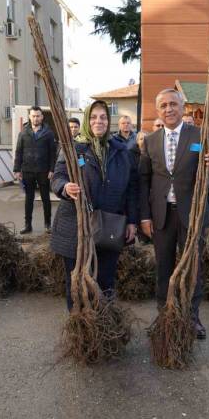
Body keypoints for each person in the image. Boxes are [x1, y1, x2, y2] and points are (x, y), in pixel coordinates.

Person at [139, 88, 209, 340]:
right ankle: (164, 315)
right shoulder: (150, 141)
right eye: (163, 106)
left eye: (173, 104)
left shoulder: (200, 135)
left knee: (192, 267)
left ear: (182, 107)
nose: (169, 109)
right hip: (162, 216)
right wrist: (144, 216)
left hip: (192, 215)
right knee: (163, 268)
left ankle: (192, 317)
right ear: (158, 110)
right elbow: (143, 181)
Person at [51, 101, 139, 310]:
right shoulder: (73, 148)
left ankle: (104, 323)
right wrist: (65, 187)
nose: (98, 121)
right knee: (77, 279)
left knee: (106, 279)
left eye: (103, 117)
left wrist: (132, 221)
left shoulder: (120, 151)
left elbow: (131, 188)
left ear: (109, 122)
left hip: (109, 225)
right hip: (76, 226)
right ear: (86, 120)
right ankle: (80, 325)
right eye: (93, 117)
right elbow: (57, 177)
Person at [13, 106, 57, 234]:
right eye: (33, 116)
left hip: (43, 170)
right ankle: (28, 225)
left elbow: (52, 153)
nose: (36, 118)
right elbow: (19, 152)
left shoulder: (48, 133)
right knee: (29, 199)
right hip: (28, 170)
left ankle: (48, 225)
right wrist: (17, 169)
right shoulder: (23, 133)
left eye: (38, 116)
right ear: (29, 117)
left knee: (45, 198)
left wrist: (52, 169)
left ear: (42, 117)